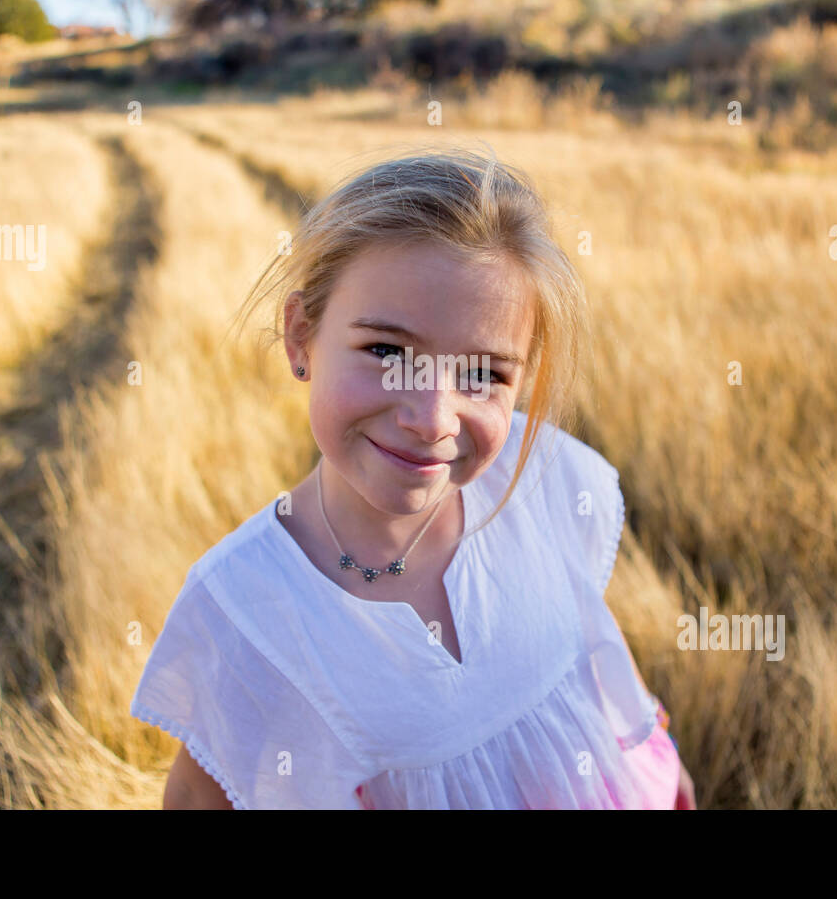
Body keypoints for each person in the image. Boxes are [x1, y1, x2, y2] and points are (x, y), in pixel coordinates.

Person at [131, 143, 696, 809]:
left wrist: (654, 749)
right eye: (387, 352)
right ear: (300, 335)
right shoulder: (246, 608)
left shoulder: (537, 472)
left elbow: (585, 632)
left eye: (483, 374)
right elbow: (204, 796)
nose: (433, 418)